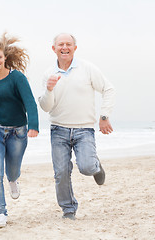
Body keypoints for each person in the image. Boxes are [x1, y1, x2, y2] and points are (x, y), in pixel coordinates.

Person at [38, 33, 115, 220]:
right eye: (60, 44)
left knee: (87, 167)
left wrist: (104, 116)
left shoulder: (87, 68)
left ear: (75, 48)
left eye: (68, 44)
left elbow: (108, 89)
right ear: (53, 49)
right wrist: (48, 90)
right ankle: (69, 209)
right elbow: (45, 106)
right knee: (61, 173)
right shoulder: (49, 74)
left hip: (84, 130)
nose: (65, 47)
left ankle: (96, 165)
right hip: (58, 130)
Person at [0, 33, 39, 228]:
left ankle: (13, 179)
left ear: (5, 58)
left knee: (11, 170)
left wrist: (34, 126)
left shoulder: (16, 78)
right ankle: (1, 213)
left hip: (18, 132)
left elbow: (29, 101)